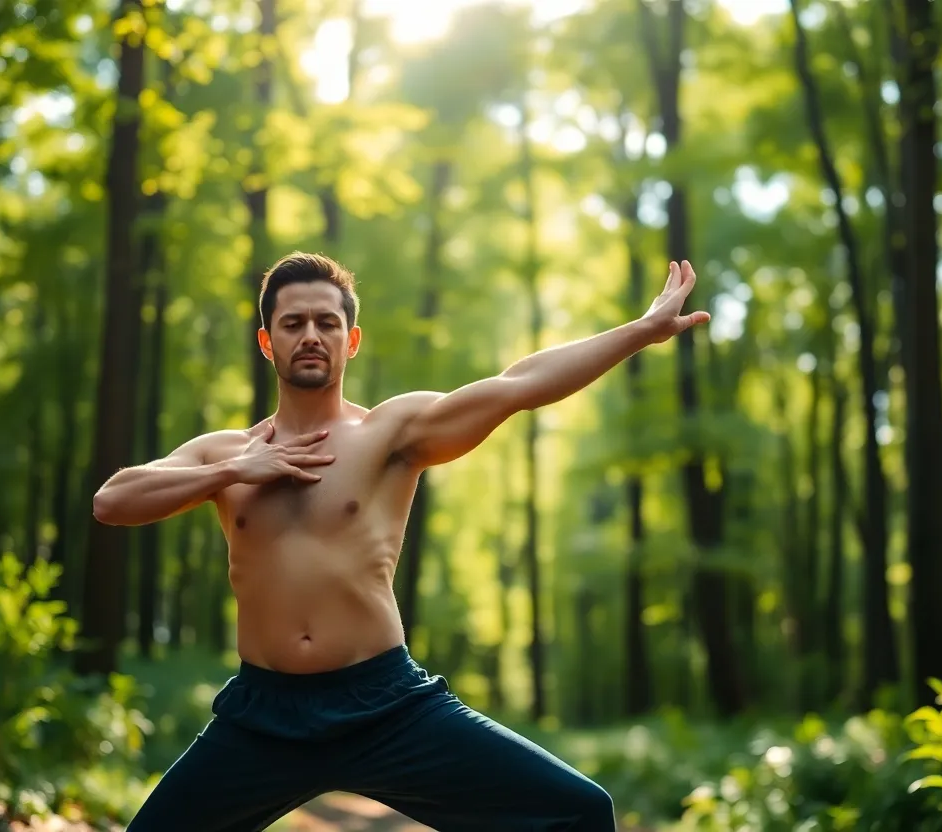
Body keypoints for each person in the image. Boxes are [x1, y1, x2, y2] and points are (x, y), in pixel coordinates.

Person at [93, 251, 710, 832]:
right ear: (267, 341)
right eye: (293, 322)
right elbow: (113, 501)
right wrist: (233, 472)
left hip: (386, 707)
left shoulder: (389, 434)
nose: (311, 334)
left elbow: (520, 384)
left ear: (350, 340)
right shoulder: (222, 453)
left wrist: (641, 331)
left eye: (327, 322)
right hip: (264, 715)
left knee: (576, 811)